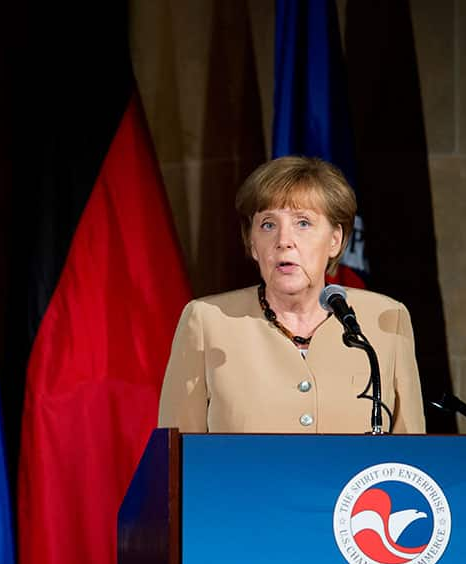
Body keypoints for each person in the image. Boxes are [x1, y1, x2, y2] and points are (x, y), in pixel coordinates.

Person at [157, 156, 425, 433]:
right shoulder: (207, 321)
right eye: (268, 225)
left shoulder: (387, 320)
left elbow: (413, 456)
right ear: (252, 243)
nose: (284, 241)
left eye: (303, 223)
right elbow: (176, 458)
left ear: (335, 239)